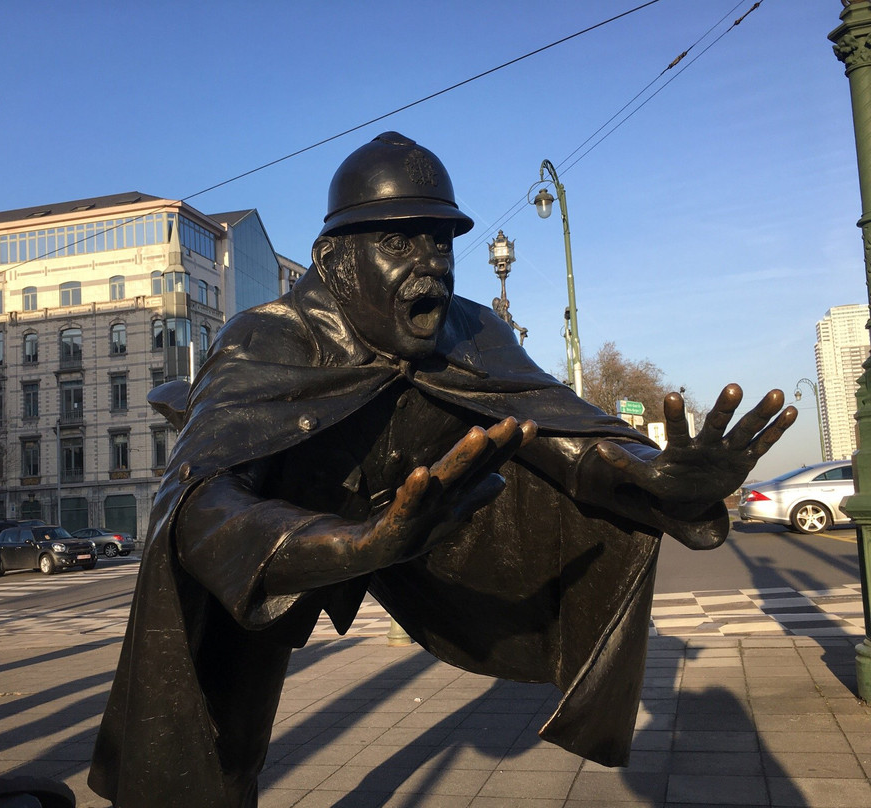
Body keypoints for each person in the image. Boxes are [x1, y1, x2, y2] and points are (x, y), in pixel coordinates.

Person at [88, 132, 794, 807]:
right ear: (334, 262)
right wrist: (356, 545)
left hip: (411, 536)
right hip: (260, 566)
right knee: (211, 756)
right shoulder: (267, 340)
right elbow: (204, 505)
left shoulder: (472, 331)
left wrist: (655, 475)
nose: (430, 259)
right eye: (399, 240)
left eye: (439, 238)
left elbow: (565, 435)